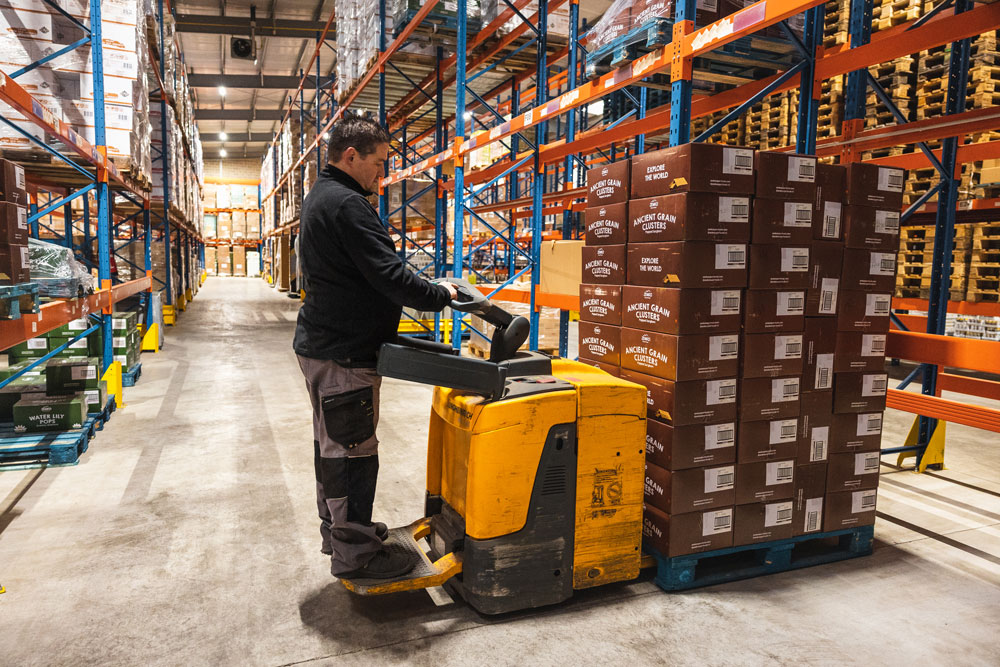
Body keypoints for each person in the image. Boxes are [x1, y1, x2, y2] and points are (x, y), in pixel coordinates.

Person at [293, 114, 457, 580]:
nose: (380, 176)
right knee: (352, 455)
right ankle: (357, 554)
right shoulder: (346, 204)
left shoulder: (323, 197)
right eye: (378, 164)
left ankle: (344, 532)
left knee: (334, 450)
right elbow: (388, 274)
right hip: (343, 352)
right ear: (351, 157)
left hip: (329, 345)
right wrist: (440, 295)